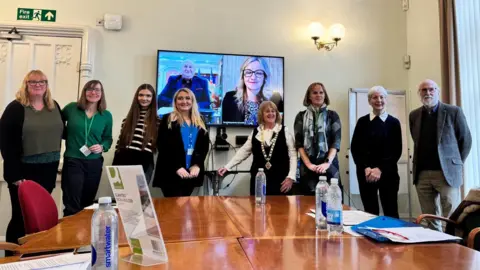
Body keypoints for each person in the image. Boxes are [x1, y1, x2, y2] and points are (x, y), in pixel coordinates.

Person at [0, 70, 64, 253]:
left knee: (40, 216)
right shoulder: (16, 108)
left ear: (47, 84)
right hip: (23, 173)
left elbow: (63, 132)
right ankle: (12, 256)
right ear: (25, 84)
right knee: (21, 217)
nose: (38, 84)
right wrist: (15, 176)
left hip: (49, 170)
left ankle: (35, 254)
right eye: (33, 82)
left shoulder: (54, 106)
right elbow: (6, 144)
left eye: (42, 81)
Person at [409, 79, 472, 231]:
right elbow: (416, 140)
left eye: (431, 89)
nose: (428, 93)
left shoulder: (453, 111)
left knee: (451, 216)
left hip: (446, 174)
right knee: (429, 217)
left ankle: (453, 248)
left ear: (438, 91)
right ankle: (436, 248)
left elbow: (465, 140)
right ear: (419, 93)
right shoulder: (414, 115)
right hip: (422, 174)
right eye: (424, 90)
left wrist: (454, 163)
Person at [218, 101, 297, 195]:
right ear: (261, 114)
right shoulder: (256, 132)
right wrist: (227, 166)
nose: (271, 114)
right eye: (267, 111)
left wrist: (291, 177)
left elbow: (293, 155)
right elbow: (243, 152)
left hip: (281, 181)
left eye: (273, 111)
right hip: (258, 182)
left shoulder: (285, 131)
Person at [61, 80, 113, 216]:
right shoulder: (72, 108)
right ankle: (69, 235)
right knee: (72, 201)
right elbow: (57, 125)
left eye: (97, 90)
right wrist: (68, 136)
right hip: (73, 160)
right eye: (89, 89)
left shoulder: (106, 115)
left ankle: (84, 235)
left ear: (102, 94)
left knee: (87, 203)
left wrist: (102, 147)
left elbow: (108, 138)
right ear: (84, 92)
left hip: (94, 163)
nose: (93, 92)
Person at [351, 86, 402, 218]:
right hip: (366, 174)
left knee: (391, 211)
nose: (378, 100)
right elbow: (355, 148)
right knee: (369, 212)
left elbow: (396, 151)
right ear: (369, 101)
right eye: (375, 97)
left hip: (388, 174)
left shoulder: (394, 123)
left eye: (382, 97)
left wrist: (380, 169)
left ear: (386, 99)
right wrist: (366, 167)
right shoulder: (362, 122)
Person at [152, 88, 210, 197]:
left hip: (191, 173)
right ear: (175, 102)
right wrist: (177, 167)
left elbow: (203, 146)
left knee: (185, 208)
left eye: (188, 98)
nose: (184, 101)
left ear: (192, 101)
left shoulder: (200, 120)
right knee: (174, 209)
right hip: (171, 172)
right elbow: (163, 146)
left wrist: (197, 165)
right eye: (180, 98)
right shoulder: (168, 119)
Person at [293, 82, 343, 196]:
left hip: (329, 166)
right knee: (308, 205)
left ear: (325, 95)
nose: (318, 95)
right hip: (308, 167)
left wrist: (326, 163)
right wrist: (309, 165)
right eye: (315, 92)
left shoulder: (333, 116)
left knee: (332, 201)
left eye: (321, 92)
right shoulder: (300, 116)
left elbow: (336, 142)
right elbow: (299, 144)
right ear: (309, 96)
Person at [112, 83, 159, 184]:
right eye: (141, 95)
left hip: (144, 162)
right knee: (122, 198)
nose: (144, 98)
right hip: (123, 160)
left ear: (153, 98)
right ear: (136, 97)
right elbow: (119, 144)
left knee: (140, 198)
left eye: (148, 96)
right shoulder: (127, 120)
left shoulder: (158, 122)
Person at [222, 56, 283, 125]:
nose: (253, 77)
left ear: (265, 76)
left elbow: (279, 127)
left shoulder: (275, 99)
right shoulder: (230, 98)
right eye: (248, 72)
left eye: (259, 73)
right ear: (243, 76)